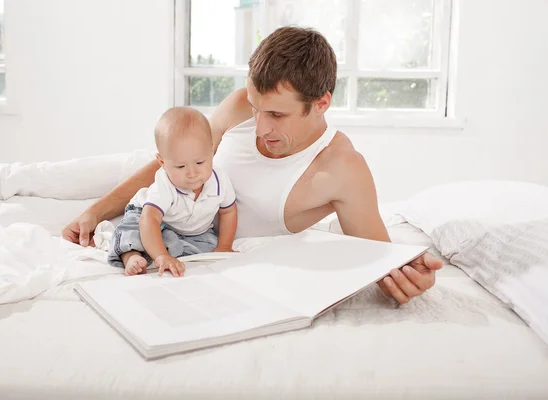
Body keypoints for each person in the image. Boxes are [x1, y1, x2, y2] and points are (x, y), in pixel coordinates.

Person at [63, 26, 443, 303]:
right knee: (46, 176)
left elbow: (382, 260)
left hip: (206, 248)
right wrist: (96, 212)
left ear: (322, 103)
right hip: (171, 199)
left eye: (277, 114)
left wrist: (410, 277)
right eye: (256, 107)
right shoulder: (240, 105)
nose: (259, 127)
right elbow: (173, 166)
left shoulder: (342, 169)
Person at [107, 107, 237, 277]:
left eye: (200, 162)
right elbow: (150, 219)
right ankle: (131, 255)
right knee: (132, 231)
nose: (192, 173)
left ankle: (166, 249)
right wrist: (161, 256)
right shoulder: (165, 184)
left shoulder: (220, 180)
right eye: (181, 166)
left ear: (211, 151)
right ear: (162, 162)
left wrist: (225, 245)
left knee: (206, 246)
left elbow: (228, 211)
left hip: (191, 231)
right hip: (148, 217)